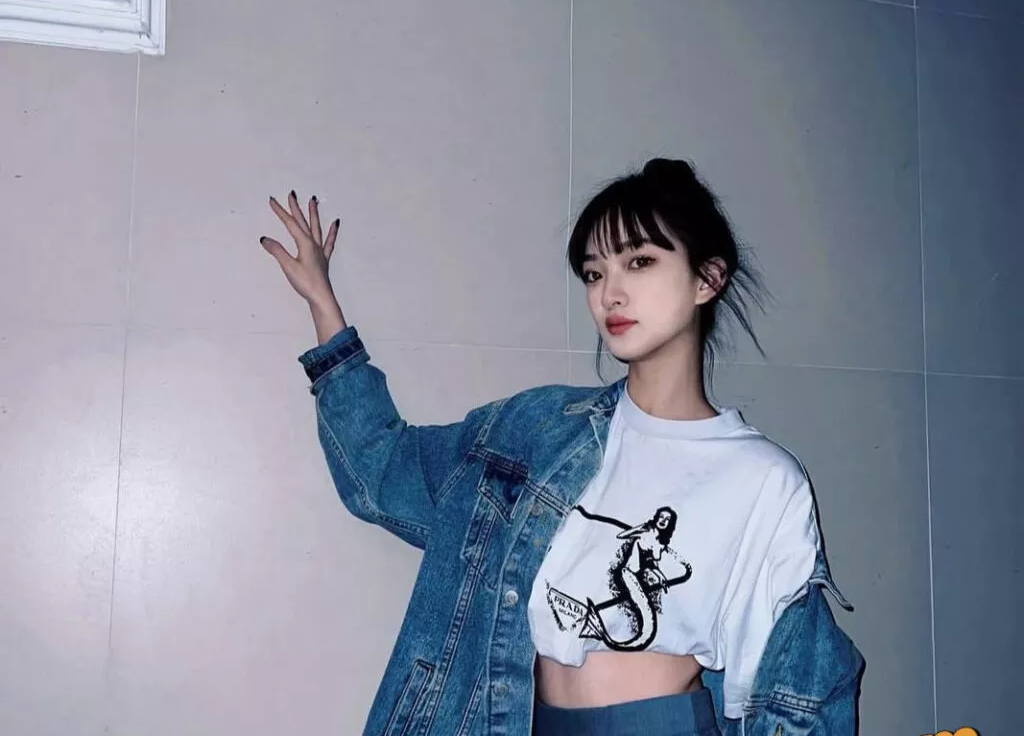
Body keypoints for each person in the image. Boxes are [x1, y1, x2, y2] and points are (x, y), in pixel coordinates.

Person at [260, 158, 864, 736]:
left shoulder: (761, 480)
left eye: (640, 262)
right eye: (595, 273)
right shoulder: (538, 430)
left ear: (707, 279)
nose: (610, 294)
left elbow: (799, 691)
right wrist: (324, 308)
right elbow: (383, 473)